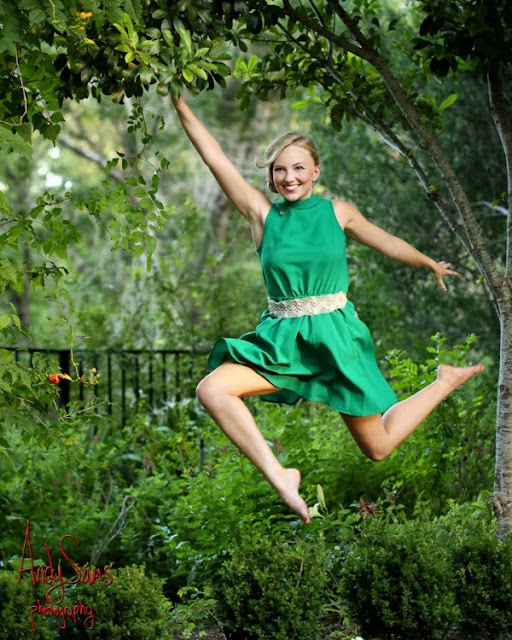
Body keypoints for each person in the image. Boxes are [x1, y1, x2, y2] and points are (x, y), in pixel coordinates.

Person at [171, 93, 484, 524]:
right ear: (271, 178)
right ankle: (281, 475)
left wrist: (428, 262)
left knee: (378, 447)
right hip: (283, 339)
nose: (289, 177)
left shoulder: (338, 212)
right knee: (212, 389)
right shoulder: (262, 215)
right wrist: (180, 102)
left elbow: (384, 239)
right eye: (280, 170)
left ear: (315, 171)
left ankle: (444, 381)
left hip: (336, 336)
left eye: (298, 167)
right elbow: (215, 159)